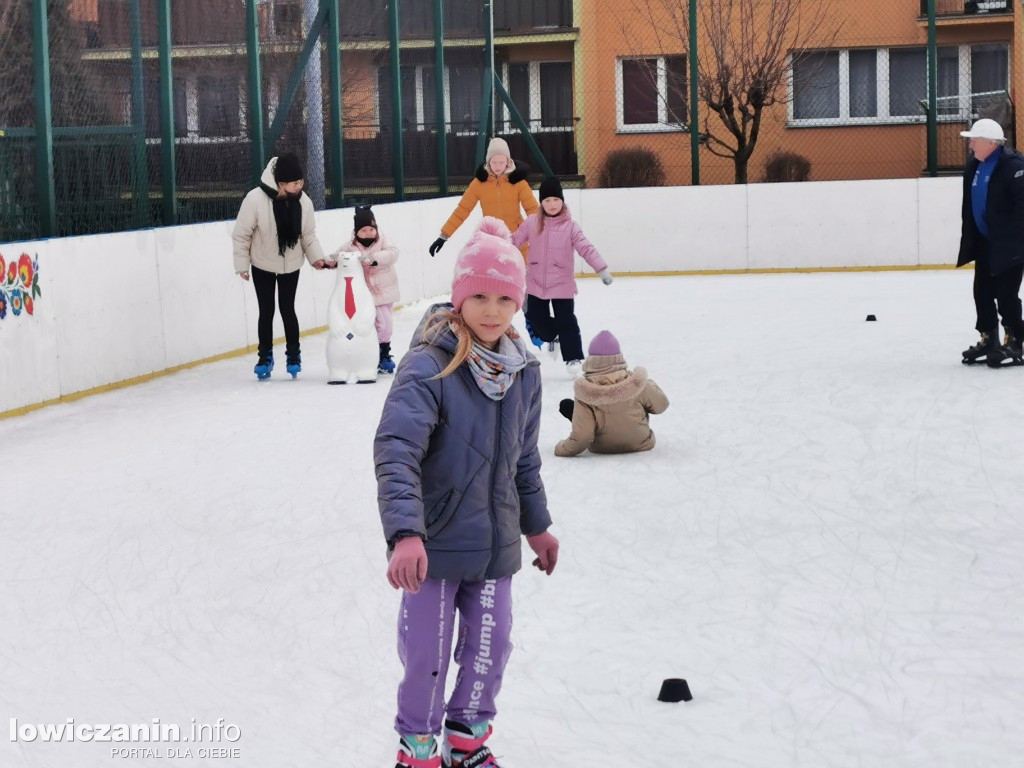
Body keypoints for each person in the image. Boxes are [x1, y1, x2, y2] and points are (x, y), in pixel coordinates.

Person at [374, 217, 559, 768]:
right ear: (458, 296)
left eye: (504, 297)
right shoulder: (429, 366)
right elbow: (396, 450)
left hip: (496, 544)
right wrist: (406, 534)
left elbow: (524, 458)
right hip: (433, 549)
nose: (491, 310)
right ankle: (419, 745)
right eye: (477, 295)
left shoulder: (523, 370)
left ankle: (467, 740)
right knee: (427, 655)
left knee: (491, 648)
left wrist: (537, 524)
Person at [232, 153, 330, 380]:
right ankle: (265, 357)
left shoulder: (304, 201)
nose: (300, 185)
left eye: (301, 181)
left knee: (288, 309)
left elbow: (308, 235)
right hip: (262, 264)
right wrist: (242, 264)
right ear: (281, 183)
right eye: (295, 183)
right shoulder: (255, 199)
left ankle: (293, 355)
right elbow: (242, 235)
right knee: (266, 311)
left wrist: (317, 258)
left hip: (291, 264)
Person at [510, 175, 612, 376]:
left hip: (562, 284)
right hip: (536, 282)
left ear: (562, 200)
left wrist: (601, 269)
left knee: (566, 320)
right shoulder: (532, 223)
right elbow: (514, 241)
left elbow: (585, 248)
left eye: (556, 199)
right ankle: (554, 337)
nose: (552, 204)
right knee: (535, 318)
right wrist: (494, 250)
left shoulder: (571, 227)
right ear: (541, 203)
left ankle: (573, 356)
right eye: (547, 200)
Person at [957, 118, 1024, 368]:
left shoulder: (1014, 166)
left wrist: (1016, 241)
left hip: (1010, 244)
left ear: (990, 142)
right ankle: (989, 338)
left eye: (974, 139)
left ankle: (1015, 339)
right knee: (982, 293)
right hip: (985, 242)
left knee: (1006, 295)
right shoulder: (974, 166)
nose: (970, 143)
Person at [555, 330, 669, 457]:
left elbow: (583, 435)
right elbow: (662, 405)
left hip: (602, 446)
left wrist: (562, 448)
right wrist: (647, 384)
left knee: (569, 406)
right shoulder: (637, 383)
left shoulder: (585, 391)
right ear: (619, 356)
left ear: (591, 359)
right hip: (641, 442)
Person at [427, 137, 538, 258]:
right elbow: (462, 210)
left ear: (508, 162)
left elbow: (533, 210)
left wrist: (544, 234)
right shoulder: (479, 184)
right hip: (491, 241)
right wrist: (443, 236)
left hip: (517, 240)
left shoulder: (518, 182)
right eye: (494, 162)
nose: (498, 166)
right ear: (488, 161)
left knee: (523, 275)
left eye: (501, 162)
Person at [332, 205, 400, 374]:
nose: (369, 233)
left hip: (383, 291)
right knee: (365, 325)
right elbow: (337, 256)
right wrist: (327, 261)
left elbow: (393, 253)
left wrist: (373, 259)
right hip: (363, 294)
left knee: (384, 324)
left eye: (372, 229)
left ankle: (384, 353)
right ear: (356, 232)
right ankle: (368, 355)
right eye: (364, 230)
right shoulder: (350, 246)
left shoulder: (383, 240)